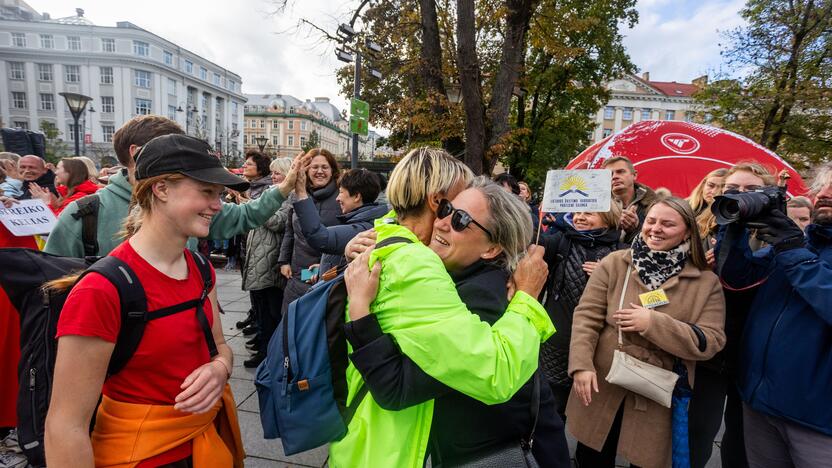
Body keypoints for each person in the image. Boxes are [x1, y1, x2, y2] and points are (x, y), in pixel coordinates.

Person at [328, 147, 555, 467]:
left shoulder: (420, 262)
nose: (445, 221)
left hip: (377, 442)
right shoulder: (415, 261)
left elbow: (497, 373)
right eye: (449, 208)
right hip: (383, 447)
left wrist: (527, 297)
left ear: (493, 247)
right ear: (436, 200)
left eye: (460, 217)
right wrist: (528, 298)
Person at [44, 134, 258, 467]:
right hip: (138, 456)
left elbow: (219, 346)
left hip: (205, 444)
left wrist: (219, 368)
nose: (218, 205)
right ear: (160, 189)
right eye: (206, 191)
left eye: (218, 193)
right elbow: (65, 427)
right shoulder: (101, 290)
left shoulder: (200, 268)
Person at [567, 196, 726, 468]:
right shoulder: (616, 263)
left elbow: (711, 340)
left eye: (667, 224)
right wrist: (581, 366)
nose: (655, 229)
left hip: (658, 391)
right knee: (591, 455)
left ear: (688, 231)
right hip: (603, 381)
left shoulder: (706, 281)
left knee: (645, 460)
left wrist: (653, 324)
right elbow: (587, 317)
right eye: (651, 221)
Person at [715, 161, 832, 467]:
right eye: (824, 186)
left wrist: (792, 248)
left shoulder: (795, 244)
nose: (826, 194)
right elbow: (740, 278)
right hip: (761, 404)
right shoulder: (804, 240)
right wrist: (735, 230)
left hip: (818, 421)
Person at [44, 115, 291, 258]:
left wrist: (283, 188)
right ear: (138, 153)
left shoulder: (197, 263)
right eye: (207, 191)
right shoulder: (84, 215)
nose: (214, 205)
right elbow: (52, 292)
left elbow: (245, 215)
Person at [688, 162, 776, 468]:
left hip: (755, 357)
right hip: (710, 352)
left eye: (751, 191)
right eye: (732, 191)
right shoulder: (706, 232)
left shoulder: (781, 238)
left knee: (741, 440)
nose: (740, 197)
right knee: (697, 432)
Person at [538, 206, 624, 419]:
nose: (580, 217)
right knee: (552, 407)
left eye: (589, 213)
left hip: (598, 345)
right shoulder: (561, 240)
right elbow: (533, 242)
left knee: (592, 412)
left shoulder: (622, 252)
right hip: (558, 338)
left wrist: (610, 275)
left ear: (608, 217)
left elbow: (632, 294)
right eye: (577, 213)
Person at [239, 152, 292, 368]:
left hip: (270, 259)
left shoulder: (288, 197)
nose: (273, 177)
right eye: (272, 173)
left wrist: (256, 208)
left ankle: (268, 353)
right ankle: (263, 347)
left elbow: (278, 222)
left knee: (271, 311)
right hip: (260, 256)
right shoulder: (271, 193)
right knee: (261, 308)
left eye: (278, 173)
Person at [278, 148, 341, 314]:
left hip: (328, 276)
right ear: (306, 170)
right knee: (290, 323)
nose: (319, 171)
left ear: (333, 170)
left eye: (325, 167)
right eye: (314, 167)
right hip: (297, 275)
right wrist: (283, 260)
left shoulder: (342, 197)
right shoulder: (296, 195)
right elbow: (289, 231)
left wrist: (327, 265)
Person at [292, 167, 387, 275]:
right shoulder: (365, 222)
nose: (337, 198)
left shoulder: (362, 229)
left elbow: (319, 237)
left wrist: (301, 193)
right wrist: (325, 267)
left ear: (356, 196)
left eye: (341, 192)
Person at [602, 156, 657, 242]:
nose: (614, 177)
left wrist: (636, 228)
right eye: (609, 174)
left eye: (620, 172)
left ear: (634, 175)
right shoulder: (596, 208)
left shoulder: (655, 205)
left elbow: (659, 239)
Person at [29, 158, 99, 215]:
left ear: (70, 172)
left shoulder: (80, 197)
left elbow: (58, 223)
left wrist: (46, 203)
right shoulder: (68, 193)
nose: (55, 172)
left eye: (58, 168)